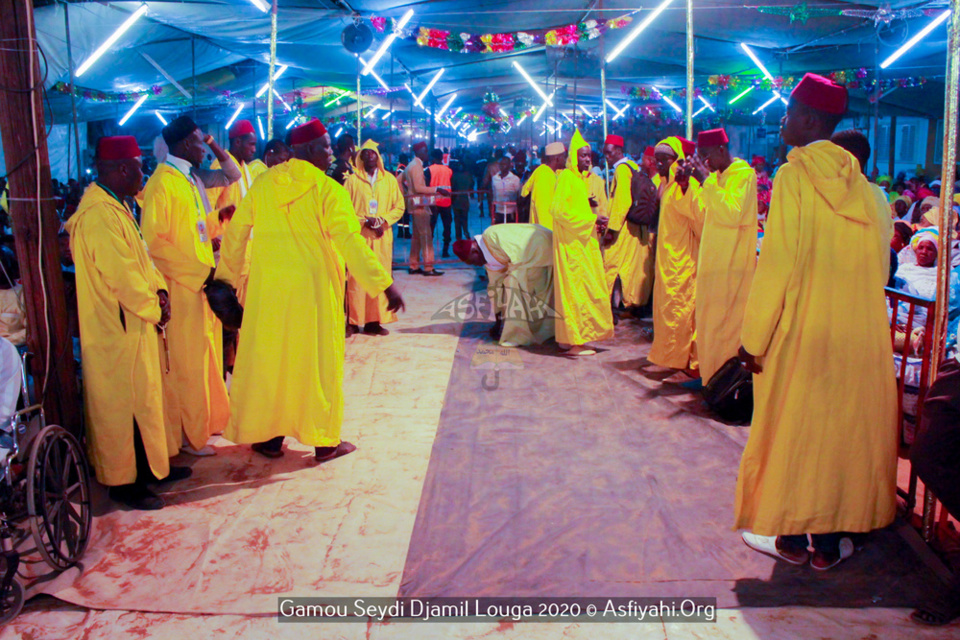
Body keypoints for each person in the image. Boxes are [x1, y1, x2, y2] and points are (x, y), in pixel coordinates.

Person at [737, 73, 896, 570]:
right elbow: (880, 270)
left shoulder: (794, 177)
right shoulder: (873, 196)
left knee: (792, 430)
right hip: (858, 337)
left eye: (787, 113)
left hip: (802, 332)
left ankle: (788, 540)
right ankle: (827, 546)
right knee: (836, 438)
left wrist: (752, 339)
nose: (782, 123)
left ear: (810, 120)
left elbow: (777, 265)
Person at [215, 119, 405, 460]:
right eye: (326, 146)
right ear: (306, 150)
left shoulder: (263, 183)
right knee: (316, 365)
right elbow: (350, 242)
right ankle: (324, 442)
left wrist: (225, 279)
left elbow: (237, 231)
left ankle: (270, 438)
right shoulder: (328, 189)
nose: (332, 153)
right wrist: (384, 284)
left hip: (269, 291)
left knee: (273, 362)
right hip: (313, 294)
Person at [66, 136, 187, 510]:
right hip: (116, 332)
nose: (142, 173)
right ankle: (125, 483)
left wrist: (161, 292)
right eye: (138, 166)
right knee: (126, 408)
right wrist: (154, 307)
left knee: (147, 401)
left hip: (135, 322)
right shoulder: (99, 215)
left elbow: (144, 261)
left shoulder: (118, 205)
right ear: (121, 169)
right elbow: (122, 276)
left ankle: (152, 469)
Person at [141, 116, 234, 458]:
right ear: (183, 146)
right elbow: (156, 242)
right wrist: (197, 273)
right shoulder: (162, 183)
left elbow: (191, 230)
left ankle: (210, 421)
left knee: (207, 355)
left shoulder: (185, 178)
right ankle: (189, 436)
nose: (204, 147)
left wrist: (218, 220)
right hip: (182, 286)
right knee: (187, 363)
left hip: (199, 283)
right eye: (199, 141)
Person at [687, 128, 758, 384]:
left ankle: (723, 382)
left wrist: (706, 179)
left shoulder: (744, 176)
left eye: (707, 156)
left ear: (721, 150)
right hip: (713, 262)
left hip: (732, 266)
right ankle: (708, 377)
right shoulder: (717, 177)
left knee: (726, 325)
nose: (706, 162)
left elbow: (732, 213)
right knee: (709, 322)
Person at [550, 132, 614, 356]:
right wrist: (591, 219)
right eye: (583, 156)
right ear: (573, 157)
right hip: (573, 247)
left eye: (589, 155)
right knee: (578, 292)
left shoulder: (578, 179)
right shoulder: (568, 177)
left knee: (579, 291)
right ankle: (577, 343)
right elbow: (558, 211)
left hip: (580, 243)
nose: (588, 159)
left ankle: (569, 339)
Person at [648, 136, 702, 381]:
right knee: (668, 310)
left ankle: (688, 365)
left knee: (682, 310)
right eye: (657, 160)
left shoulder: (686, 184)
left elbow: (697, 217)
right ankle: (672, 359)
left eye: (665, 160)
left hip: (683, 259)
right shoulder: (666, 184)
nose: (659, 165)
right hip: (667, 258)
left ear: (676, 160)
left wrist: (684, 186)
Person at [452, 224, 554, 347]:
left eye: (473, 261)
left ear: (475, 251)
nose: (476, 265)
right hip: (530, 256)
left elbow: (518, 257)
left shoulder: (491, 236)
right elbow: (495, 288)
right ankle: (519, 329)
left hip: (542, 247)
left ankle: (518, 334)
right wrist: (498, 321)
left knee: (513, 284)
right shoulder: (487, 257)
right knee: (507, 286)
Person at [343, 140, 405, 336]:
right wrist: (364, 221)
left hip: (381, 238)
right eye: (365, 154)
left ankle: (373, 321)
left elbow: (399, 207)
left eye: (373, 154)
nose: (369, 157)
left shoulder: (389, 181)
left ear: (378, 157)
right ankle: (353, 320)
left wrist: (382, 221)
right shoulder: (352, 181)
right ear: (360, 158)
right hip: (359, 237)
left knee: (379, 276)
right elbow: (344, 210)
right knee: (356, 279)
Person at [602, 134, 656, 316]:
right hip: (635, 227)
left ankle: (606, 309)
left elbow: (623, 200)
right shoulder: (634, 166)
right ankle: (625, 304)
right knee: (629, 268)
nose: (606, 158)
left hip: (623, 229)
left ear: (618, 151)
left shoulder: (622, 170)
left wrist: (612, 229)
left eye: (609, 153)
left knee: (610, 266)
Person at [405, 141, 448, 275]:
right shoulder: (416, 166)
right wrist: (438, 189)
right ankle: (428, 267)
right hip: (419, 204)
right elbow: (419, 188)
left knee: (417, 237)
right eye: (425, 151)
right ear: (418, 152)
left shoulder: (412, 165)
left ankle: (414, 265)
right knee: (426, 236)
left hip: (414, 203)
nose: (427, 154)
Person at [520, 143, 565, 229]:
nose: (565, 160)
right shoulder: (544, 176)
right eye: (564, 157)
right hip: (545, 234)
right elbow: (544, 212)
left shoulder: (551, 173)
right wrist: (549, 234)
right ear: (557, 158)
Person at [427, 149, 453, 256]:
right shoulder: (448, 170)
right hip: (446, 202)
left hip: (433, 202)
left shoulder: (429, 170)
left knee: (431, 227)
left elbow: (426, 185)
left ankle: (428, 250)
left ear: (432, 158)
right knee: (447, 227)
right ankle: (445, 250)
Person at [491, 156, 522, 224]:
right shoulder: (494, 178)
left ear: (509, 165)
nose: (502, 166)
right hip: (498, 211)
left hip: (511, 212)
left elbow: (518, 194)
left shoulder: (515, 179)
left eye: (504, 164)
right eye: (500, 164)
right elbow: (493, 194)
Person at [451, 160, 474, 240]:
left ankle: (458, 237)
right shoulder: (468, 176)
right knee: (465, 218)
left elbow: (453, 187)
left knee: (457, 220)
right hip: (465, 199)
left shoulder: (454, 176)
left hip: (456, 199)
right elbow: (472, 185)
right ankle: (466, 232)